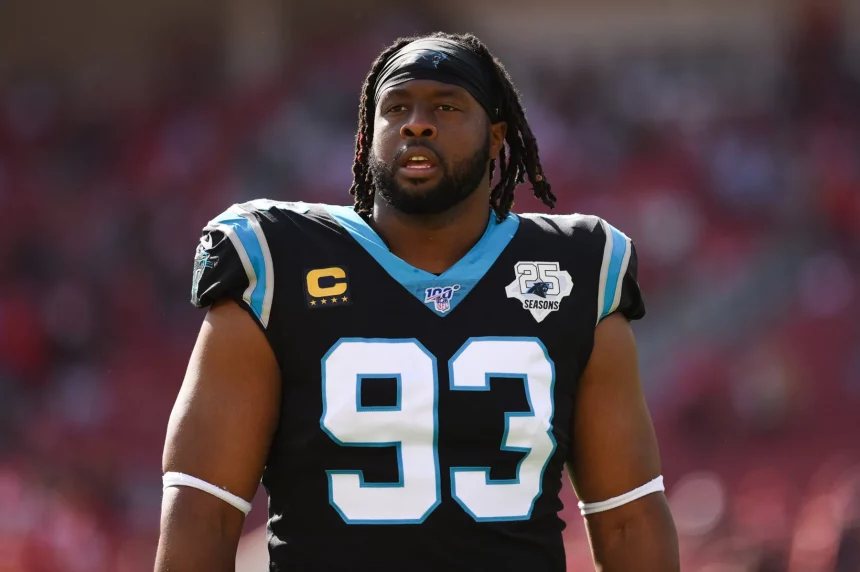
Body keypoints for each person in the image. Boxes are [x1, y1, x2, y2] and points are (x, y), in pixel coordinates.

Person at [155, 32, 679, 572]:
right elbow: (203, 508)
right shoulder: (274, 260)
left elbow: (627, 516)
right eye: (396, 107)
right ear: (367, 133)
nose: (417, 123)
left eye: (446, 106)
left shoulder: (575, 269)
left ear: (497, 135)